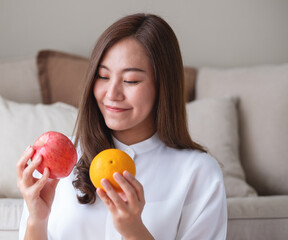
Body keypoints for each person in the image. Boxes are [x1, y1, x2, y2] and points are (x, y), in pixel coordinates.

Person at [17, 13, 227, 240]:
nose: (112, 94)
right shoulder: (64, 161)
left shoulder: (199, 172)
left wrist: (134, 230)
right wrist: (36, 220)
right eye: (103, 76)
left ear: (163, 86)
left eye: (131, 81)